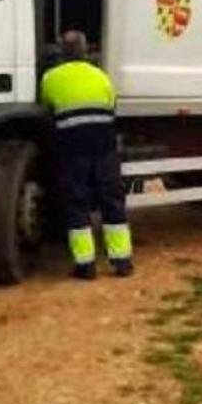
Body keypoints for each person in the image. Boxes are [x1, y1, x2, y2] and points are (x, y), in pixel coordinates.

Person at [40, 31, 134, 280]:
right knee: (112, 203)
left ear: (61, 52)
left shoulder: (51, 78)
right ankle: (122, 261)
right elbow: (111, 106)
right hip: (104, 148)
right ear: (85, 51)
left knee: (76, 205)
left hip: (72, 151)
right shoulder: (101, 76)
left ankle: (85, 265)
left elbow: (46, 108)